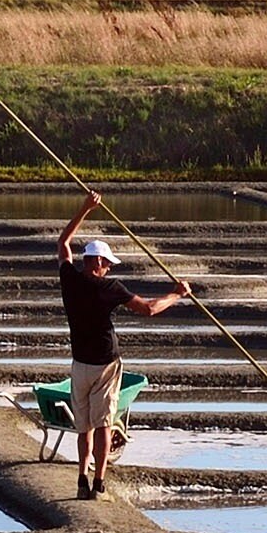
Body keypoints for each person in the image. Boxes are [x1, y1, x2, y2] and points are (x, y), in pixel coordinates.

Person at [56, 192, 192, 498]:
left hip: (80, 363)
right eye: (107, 264)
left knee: (84, 427)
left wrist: (85, 209)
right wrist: (177, 294)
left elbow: (63, 242)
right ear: (100, 262)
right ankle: (99, 482)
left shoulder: (70, 279)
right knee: (104, 424)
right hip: (105, 362)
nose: (108, 269)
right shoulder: (109, 287)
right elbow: (149, 309)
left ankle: (81, 479)